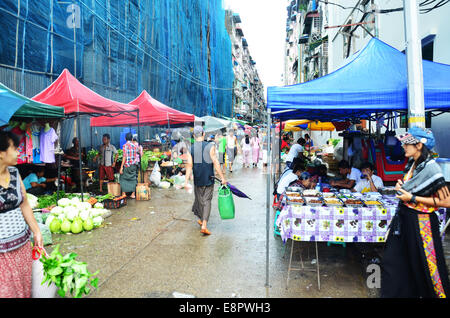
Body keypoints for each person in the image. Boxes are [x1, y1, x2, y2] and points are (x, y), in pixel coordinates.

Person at [381, 127, 450, 298]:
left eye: (407, 143)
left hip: (422, 222)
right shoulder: (412, 164)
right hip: (405, 218)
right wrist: (401, 188)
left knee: (428, 265)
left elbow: (447, 201)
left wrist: (412, 197)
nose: (403, 146)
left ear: (419, 145)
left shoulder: (431, 168)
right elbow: (409, 189)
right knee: (395, 260)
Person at [0, 131, 43, 298]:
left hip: (22, 247)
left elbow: (24, 203)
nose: (19, 152)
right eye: (15, 148)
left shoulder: (14, 173)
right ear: (2, 153)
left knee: (24, 290)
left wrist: (37, 231)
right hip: (2, 254)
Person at [184, 126, 227, 235]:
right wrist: (222, 177)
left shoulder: (190, 149)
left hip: (197, 178)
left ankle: (201, 219)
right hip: (209, 177)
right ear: (203, 134)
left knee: (199, 199)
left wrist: (186, 181)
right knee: (206, 200)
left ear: (194, 136)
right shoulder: (210, 146)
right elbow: (216, 162)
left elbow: (189, 165)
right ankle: (204, 224)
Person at [119, 133, 139, 199]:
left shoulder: (125, 146)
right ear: (132, 139)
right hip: (133, 165)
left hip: (127, 165)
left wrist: (121, 167)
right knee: (133, 178)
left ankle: (124, 193)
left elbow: (124, 156)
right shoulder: (135, 146)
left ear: (125, 138)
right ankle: (133, 194)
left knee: (123, 178)